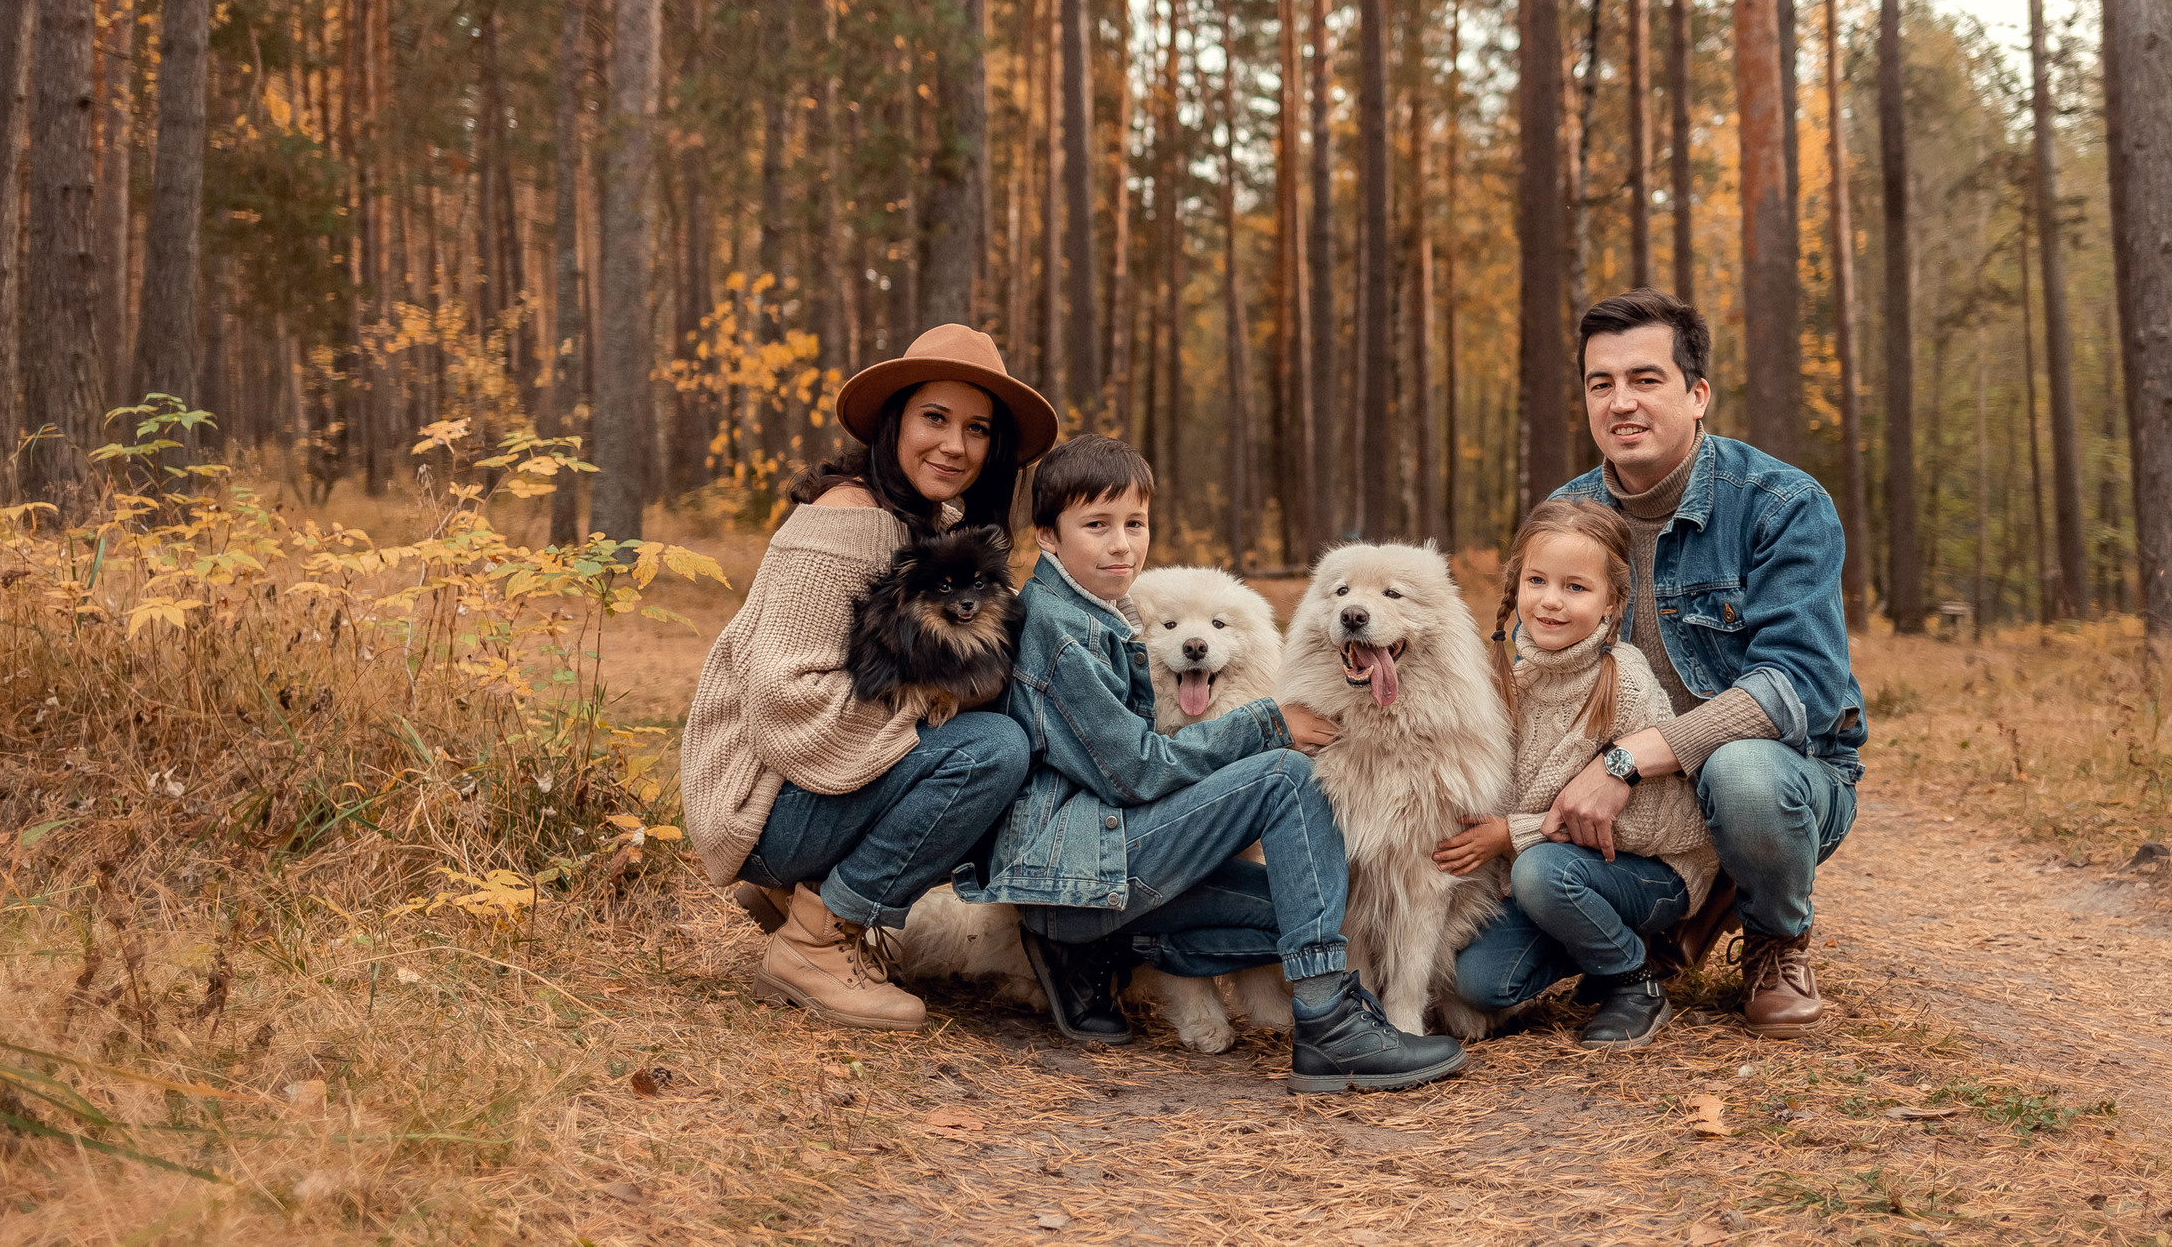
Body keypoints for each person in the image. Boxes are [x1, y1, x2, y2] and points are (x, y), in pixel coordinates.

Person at [955, 434, 1469, 1093]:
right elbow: (1135, 771)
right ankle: (1329, 1024)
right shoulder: (1060, 631)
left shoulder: (1101, 611)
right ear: (1049, 538)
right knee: (1285, 775)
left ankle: (1112, 953)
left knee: (1308, 903)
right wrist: (1266, 723)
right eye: (1097, 526)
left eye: (1134, 524)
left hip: (1100, 871)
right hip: (1079, 873)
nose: (1121, 544)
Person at [678, 324, 1055, 1031]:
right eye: (934, 418)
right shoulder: (843, 523)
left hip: (806, 787)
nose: (954, 444)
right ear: (896, 420)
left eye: (976, 428)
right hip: (759, 800)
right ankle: (815, 941)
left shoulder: (924, 524)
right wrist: (941, 703)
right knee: (992, 750)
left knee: (1011, 728)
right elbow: (783, 701)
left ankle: (806, 891)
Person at [1538, 289, 1865, 1038]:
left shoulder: (1780, 503)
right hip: (1633, 807)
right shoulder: (1568, 514)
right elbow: (1524, 669)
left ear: (1697, 394)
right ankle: (1661, 924)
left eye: (1645, 379)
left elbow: (1799, 687)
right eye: (1601, 383)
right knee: (1488, 980)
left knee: (1741, 773)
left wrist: (1627, 759)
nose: (1621, 401)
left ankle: (1775, 938)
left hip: (1778, 779)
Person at [1435, 499, 1720, 1048]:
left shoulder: (1625, 686)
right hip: (1552, 872)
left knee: (1542, 873)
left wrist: (1508, 836)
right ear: (1515, 585)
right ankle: (1593, 939)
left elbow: (1659, 826)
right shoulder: (1503, 674)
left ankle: (1635, 983)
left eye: (1575, 588)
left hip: (1652, 873)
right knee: (1481, 984)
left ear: (1612, 602)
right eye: (1537, 580)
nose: (1550, 602)